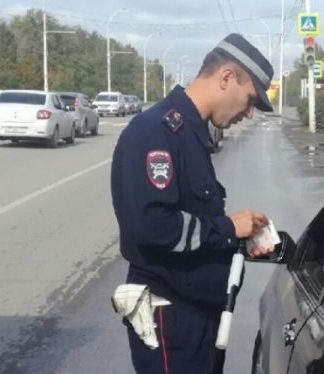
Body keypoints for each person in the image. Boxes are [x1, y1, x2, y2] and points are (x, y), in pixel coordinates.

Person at [110, 33, 275, 374]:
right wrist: (228, 228)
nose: (248, 114)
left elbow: (192, 224)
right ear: (226, 77)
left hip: (195, 318)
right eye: (249, 101)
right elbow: (153, 226)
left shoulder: (189, 134)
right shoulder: (156, 132)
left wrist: (238, 238)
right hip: (172, 321)